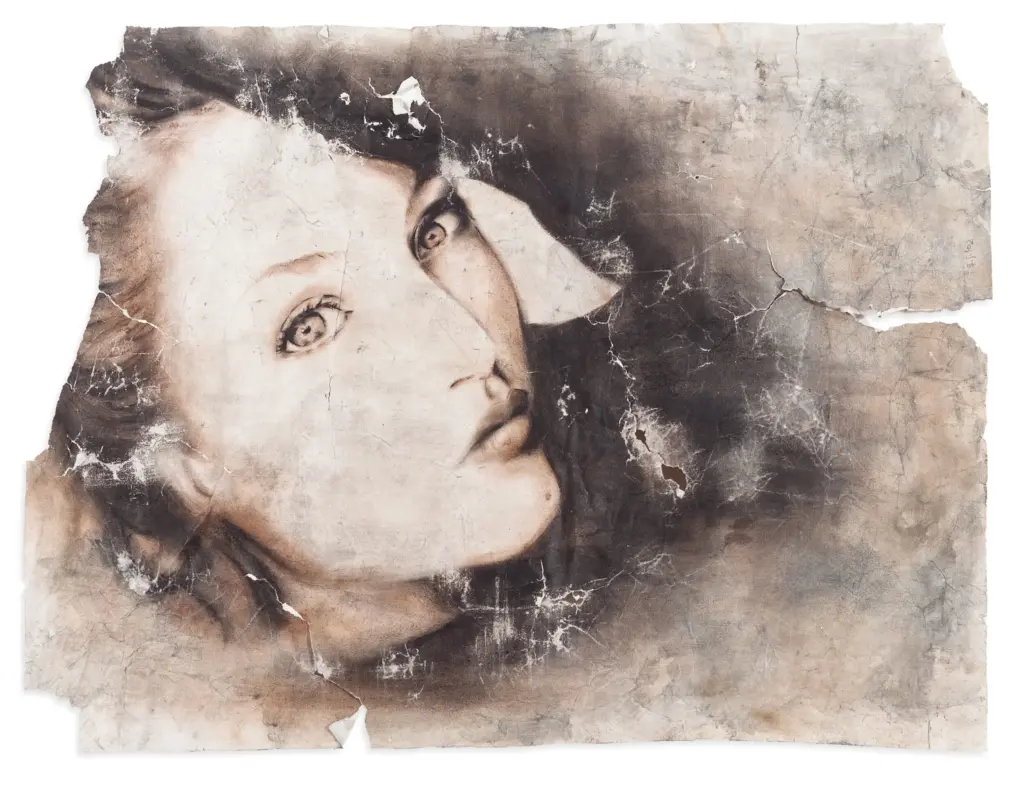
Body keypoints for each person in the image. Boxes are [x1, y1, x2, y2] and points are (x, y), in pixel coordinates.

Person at [45, 28, 834, 681]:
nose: (468, 343)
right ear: (169, 464)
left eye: (432, 230)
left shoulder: (713, 515)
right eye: (311, 323)